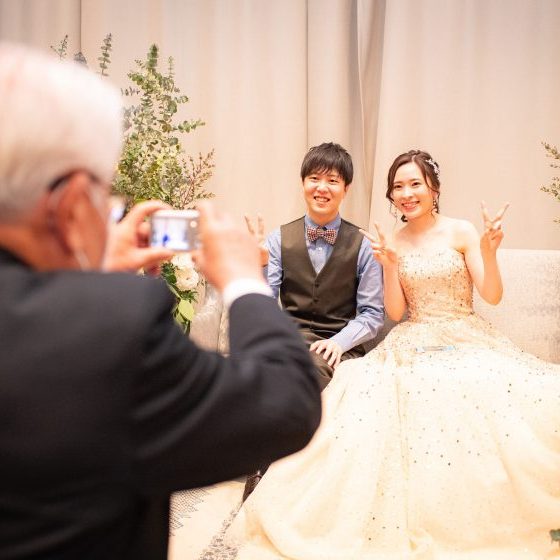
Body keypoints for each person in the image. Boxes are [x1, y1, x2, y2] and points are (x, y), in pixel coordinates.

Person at [0, 43, 321, 560]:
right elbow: (285, 404)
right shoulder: (112, 326)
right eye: (106, 195)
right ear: (73, 204)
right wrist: (245, 279)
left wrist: (89, 276)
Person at [202, 149, 560, 559]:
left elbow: (486, 297)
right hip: (402, 337)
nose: (406, 194)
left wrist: (489, 250)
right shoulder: (386, 241)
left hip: (459, 334)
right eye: (398, 187)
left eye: (415, 184)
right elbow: (394, 310)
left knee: (467, 387)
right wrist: (388, 264)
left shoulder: (456, 232)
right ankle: (264, 468)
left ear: (434, 188)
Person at [247, 142, 385, 389]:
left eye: (332, 181)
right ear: (303, 183)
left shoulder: (364, 245)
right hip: (289, 343)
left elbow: (372, 314)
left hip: (339, 349)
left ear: (346, 188)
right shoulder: (277, 239)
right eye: (314, 178)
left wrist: (339, 342)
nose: (322, 188)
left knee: (303, 370)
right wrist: (262, 265)